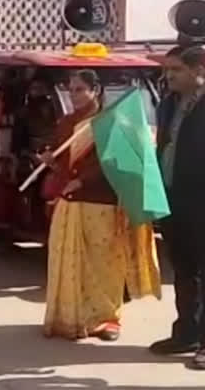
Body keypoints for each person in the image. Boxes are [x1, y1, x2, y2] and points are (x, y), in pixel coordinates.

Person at [40, 69, 161, 341]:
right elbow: (64, 162)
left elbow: (113, 161)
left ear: (95, 91)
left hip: (101, 201)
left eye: (80, 89)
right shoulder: (66, 123)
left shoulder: (110, 122)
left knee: (104, 262)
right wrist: (51, 162)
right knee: (67, 261)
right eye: (71, 90)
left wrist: (82, 181)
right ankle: (70, 318)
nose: (74, 95)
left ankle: (108, 320)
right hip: (68, 201)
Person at [150, 45, 205, 368]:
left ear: (199, 70)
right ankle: (186, 334)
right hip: (173, 197)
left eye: (176, 70)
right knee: (185, 271)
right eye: (167, 70)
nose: (168, 76)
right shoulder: (169, 104)